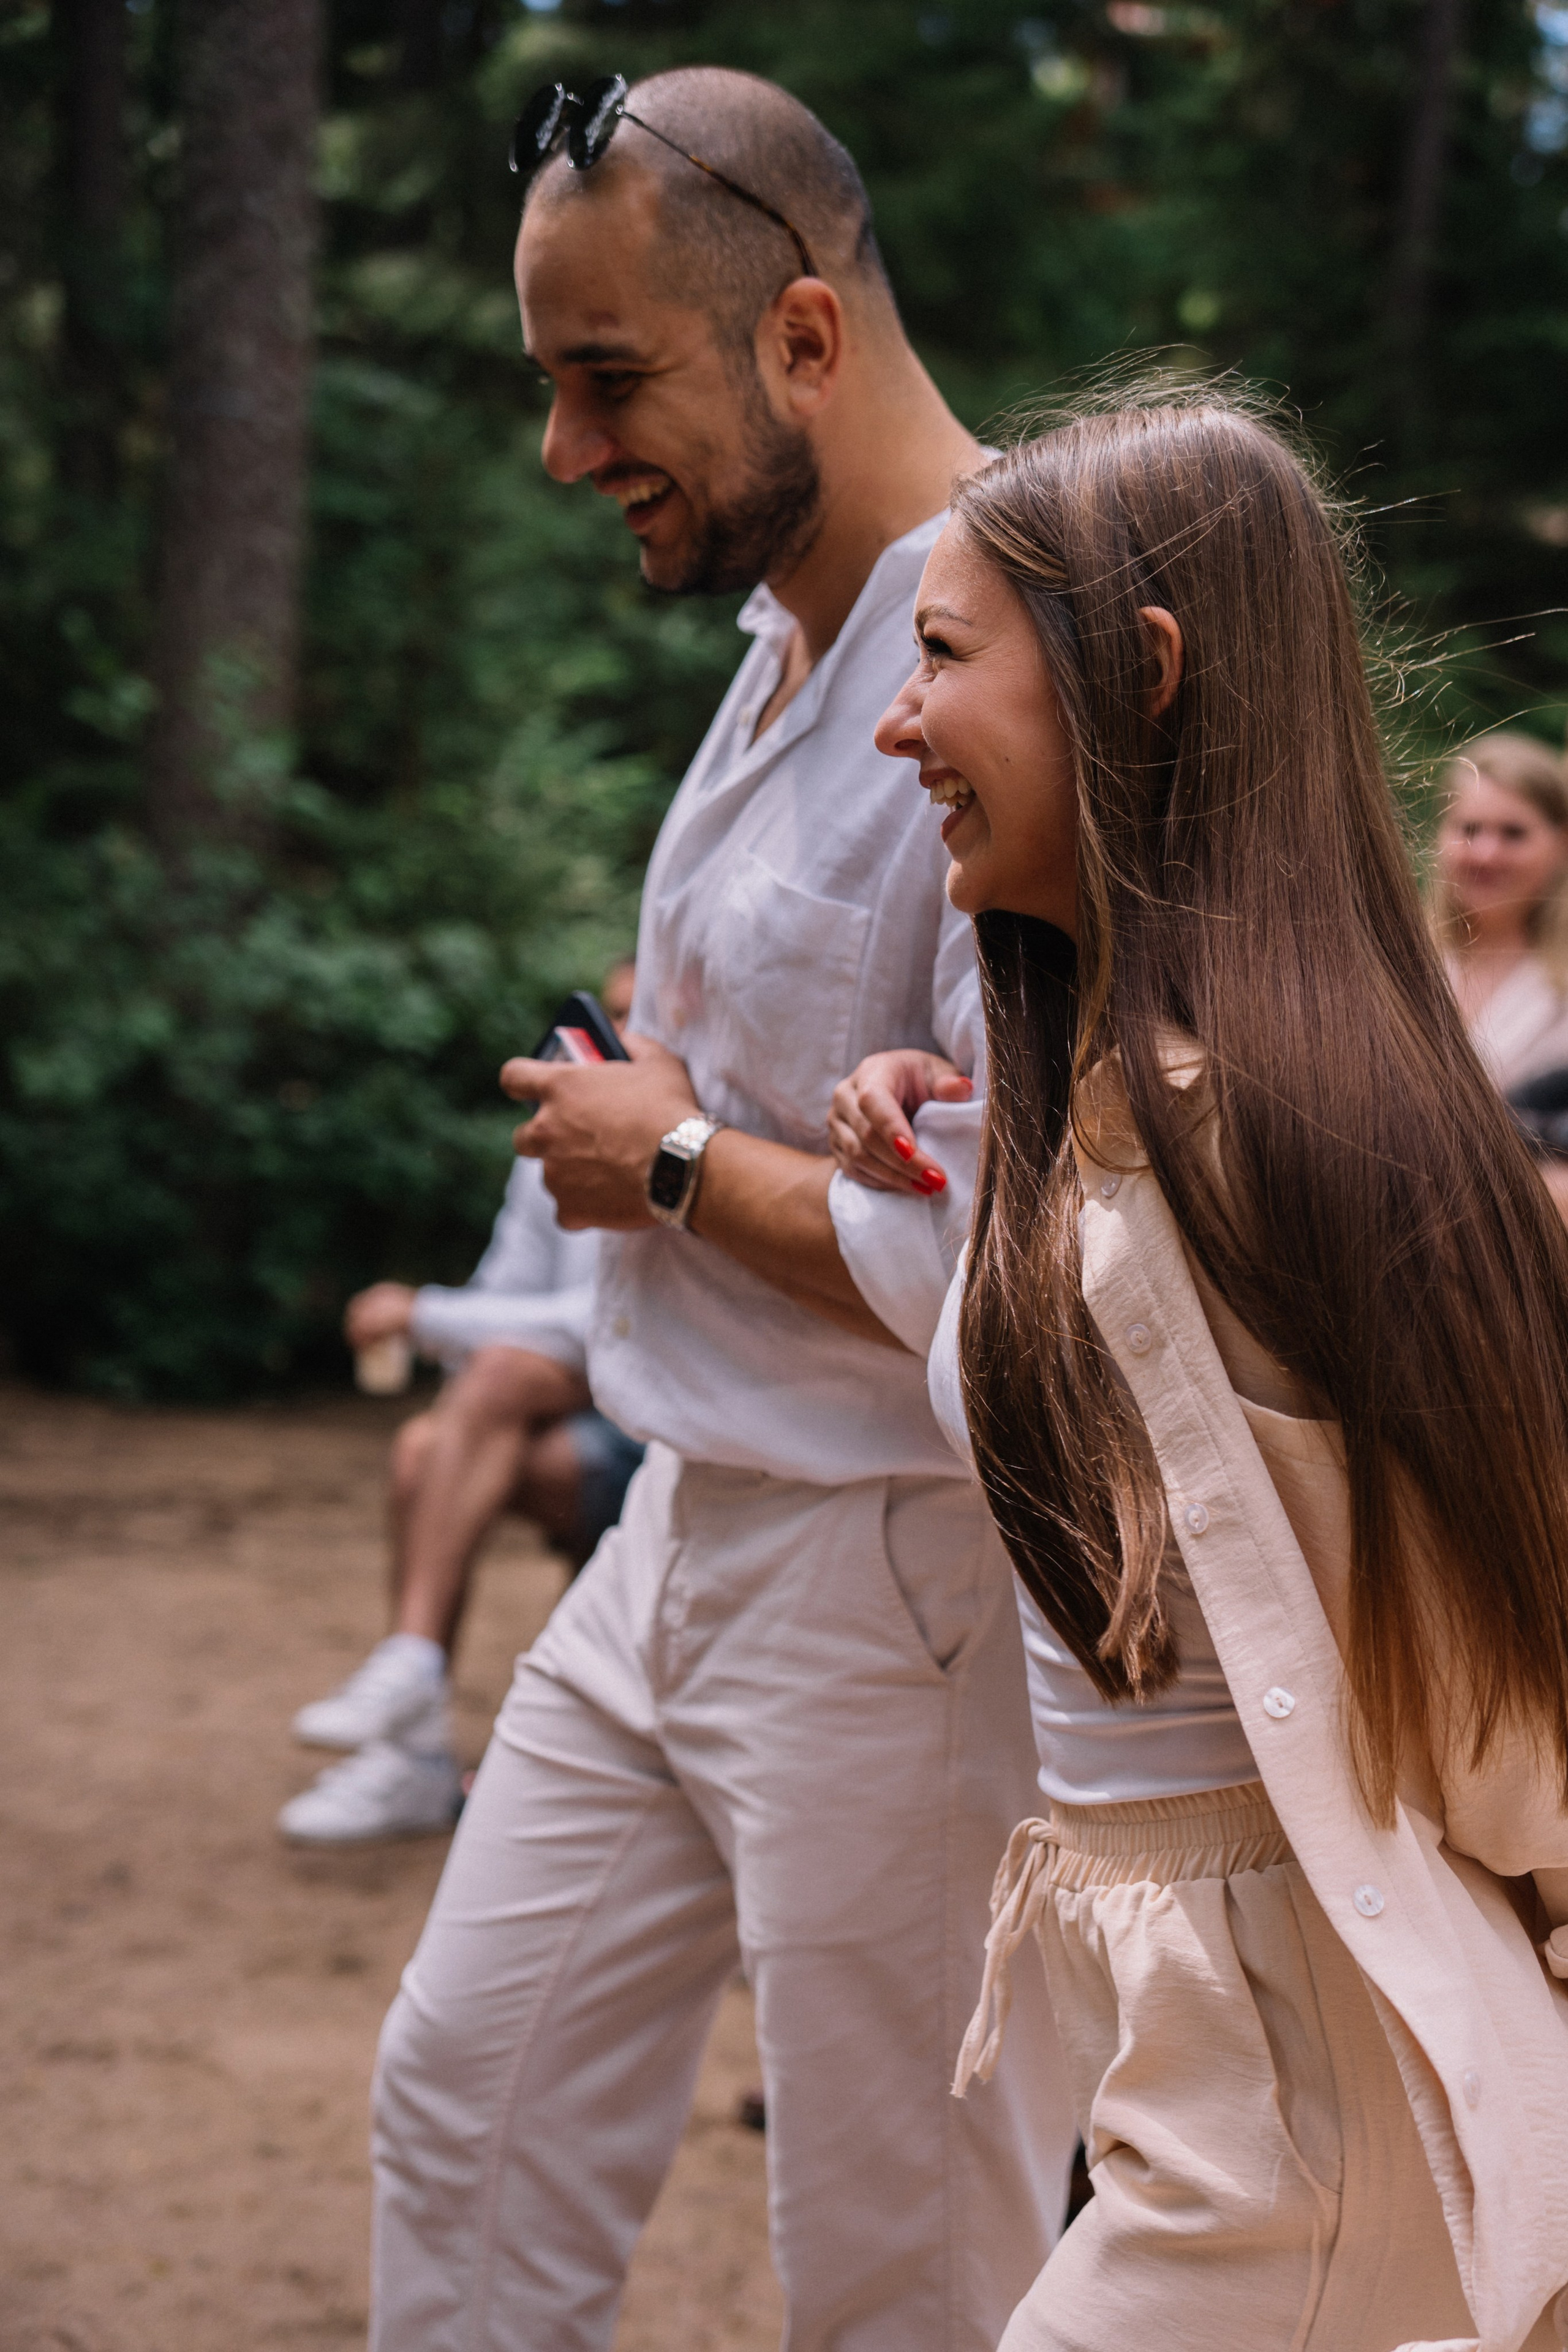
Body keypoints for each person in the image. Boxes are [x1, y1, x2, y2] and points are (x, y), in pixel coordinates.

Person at [369, 66, 1073, 2352]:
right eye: (544, 385)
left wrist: (658, 1160)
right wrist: (662, 1118)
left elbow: (1031, 1252)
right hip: (676, 1525)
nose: (566, 453)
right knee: (459, 2114)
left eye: (604, 382)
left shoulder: (1018, 656)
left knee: (904, 2264)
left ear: (797, 335)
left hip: (903, 1583)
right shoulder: (785, 629)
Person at [832, 393, 1568, 2346]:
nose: (896, 727)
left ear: (1136, 675)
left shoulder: (1254, 1135)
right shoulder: (1108, 1103)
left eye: (938, 657)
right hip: (1217, 2064)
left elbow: (1510, 1656)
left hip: (1297, 2096)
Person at [279, 970, 646, 1847]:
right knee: (421, 1443)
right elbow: (509, 1295)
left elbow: (612, 1325)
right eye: (610, 1014)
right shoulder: (554, 1144)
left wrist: (426, 1315)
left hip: (667, 1434)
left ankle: (415, 1682)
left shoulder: (682, 1134)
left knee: (484, 1391)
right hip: (572, 1424)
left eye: (640, 1016)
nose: (613, 1035)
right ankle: (414, 1729)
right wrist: (449, 1321)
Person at [1431, 728, 1568, 1091]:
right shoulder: (1398, 956)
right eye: (1471, 829)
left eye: (1513, 833)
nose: (1486, 854)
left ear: (1561, 843)